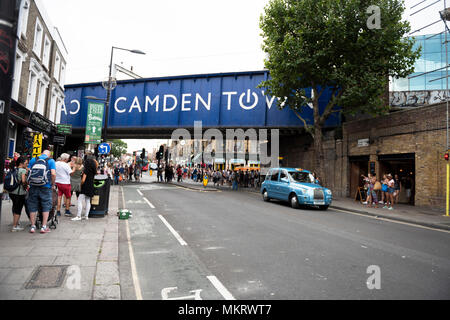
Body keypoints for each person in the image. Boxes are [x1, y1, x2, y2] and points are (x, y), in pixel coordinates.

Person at [27, 150, 57, 234]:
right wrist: (52, 184)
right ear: (49, 155)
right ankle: (43, 226)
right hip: (46, 186)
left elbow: (28, 171)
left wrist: (28, 182)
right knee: (46, 205)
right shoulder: (51, 161)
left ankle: (33, 226)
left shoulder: (33, 160)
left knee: (32, 205)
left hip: (33, 186)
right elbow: (53, 174)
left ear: (41, 154)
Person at [72, 150, 97, 221]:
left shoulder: (86, 170)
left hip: (85, 187)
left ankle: (78, 216)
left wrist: (80, 185)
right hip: (91, 186)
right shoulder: (93, 170)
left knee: (79, 200)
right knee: (88, 201)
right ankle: (86, 216)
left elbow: (83, 180)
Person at [8, 156, 28, 232]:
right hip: (19, 193)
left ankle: (16, 222)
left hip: (12, 192)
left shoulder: (14, 169)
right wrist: (26, 184)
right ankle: (15, 226)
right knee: (18, 209)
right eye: (26, 163)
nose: (27, 164)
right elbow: (23, 181)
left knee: (15, 207)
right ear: (21, 163)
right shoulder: (23, 170)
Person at [55, 153, 73, 217]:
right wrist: (74, 168)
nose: (68, 159)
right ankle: (67, 210)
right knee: (68, 197)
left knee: (59, 197)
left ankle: (58, 211)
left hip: (57, 182)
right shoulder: (66, 165)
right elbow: (71, 173)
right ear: (65, 159)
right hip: (65, 183)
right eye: (67, 158)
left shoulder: (56, 163)